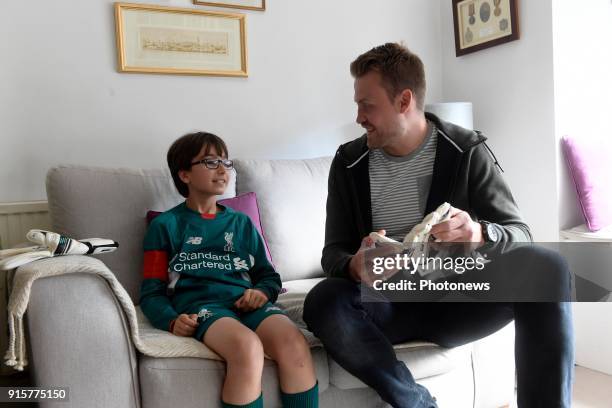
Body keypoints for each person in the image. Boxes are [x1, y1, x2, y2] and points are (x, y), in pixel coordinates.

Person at [303, 43, 574, 408]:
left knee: (548, 267)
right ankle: (416, 402)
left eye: (367, 105)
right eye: (358, 105)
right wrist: (354, 264)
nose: (358, 117)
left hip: (457, 296)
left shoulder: (466, 150)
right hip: (386, 304)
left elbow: (519, 233)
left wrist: (478, 233)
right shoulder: (349, 163)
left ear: (404, 101)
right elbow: (332, 251)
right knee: (324, 299)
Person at [140, 132, 318, 408]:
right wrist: (171, 320)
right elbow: (151, 292)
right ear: (184, 174)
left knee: (294, 342)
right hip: (204, 307)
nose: (223, 170)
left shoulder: (242, 224)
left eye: (226, 162)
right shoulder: (165, 226)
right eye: (210, 162)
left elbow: (268, 276)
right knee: (247, 348)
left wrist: (261, 292)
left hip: (247, 303)